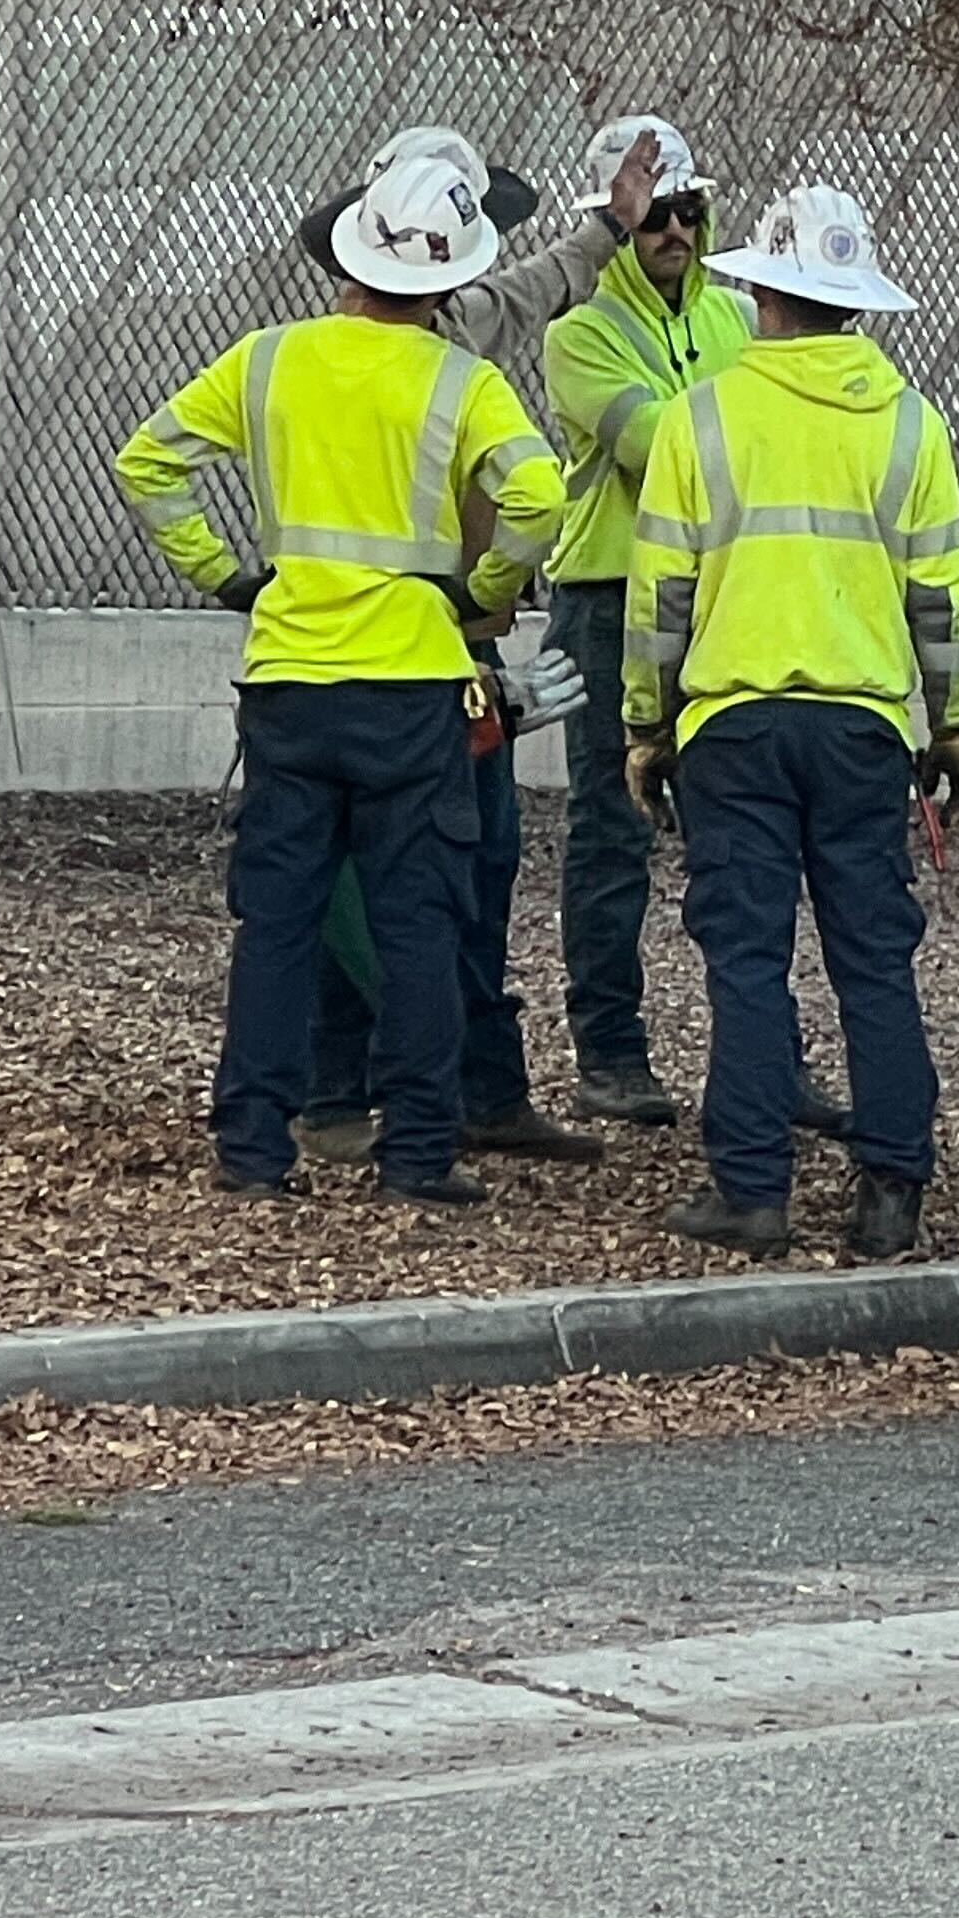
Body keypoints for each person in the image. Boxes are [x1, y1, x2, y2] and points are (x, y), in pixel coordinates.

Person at [115, 153, 565, 1206]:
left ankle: (255, 1150)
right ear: (451, 282)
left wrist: (227, 575)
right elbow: (539, 496)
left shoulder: (268, 361)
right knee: (418, 924)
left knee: (278, 921)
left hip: (289, 681)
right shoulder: (463, 381)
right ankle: (417, 1154)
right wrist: (474, 588)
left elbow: (148, 462)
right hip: (412, 686)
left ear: (352, 258)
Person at [283, 121, 659, 1172]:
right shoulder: (379, 356)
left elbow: (539, 285)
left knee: (472, 865)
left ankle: (468, 1086)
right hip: (380, 661)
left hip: (448, 660)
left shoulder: (459, 327)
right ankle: (339, 1089)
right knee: (372, 880)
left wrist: (607, 226)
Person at [626, 185, 959, 1261]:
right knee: (874, 959)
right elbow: (942, 597)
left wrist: (646, 725)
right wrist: (954, 725)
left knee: (746, 958)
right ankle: (890, 1191)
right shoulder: (912, 423)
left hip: (731, 726)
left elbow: (661, 597)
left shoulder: (702, 418)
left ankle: (752, 1190)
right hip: (865, 726)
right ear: (854, 301)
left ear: (763, 293)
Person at [540, 116, 752, 1128]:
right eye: (656, 214)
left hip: (717, 593)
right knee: (613, 834)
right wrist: (767, 436)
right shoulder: (577, 334)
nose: (676, 228)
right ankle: (611, 1052)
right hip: (608, 596)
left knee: (736, 831)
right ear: (615, 224)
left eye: (690, 210)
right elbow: (654, 449)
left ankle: (757, 1059)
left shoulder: (740, 323)